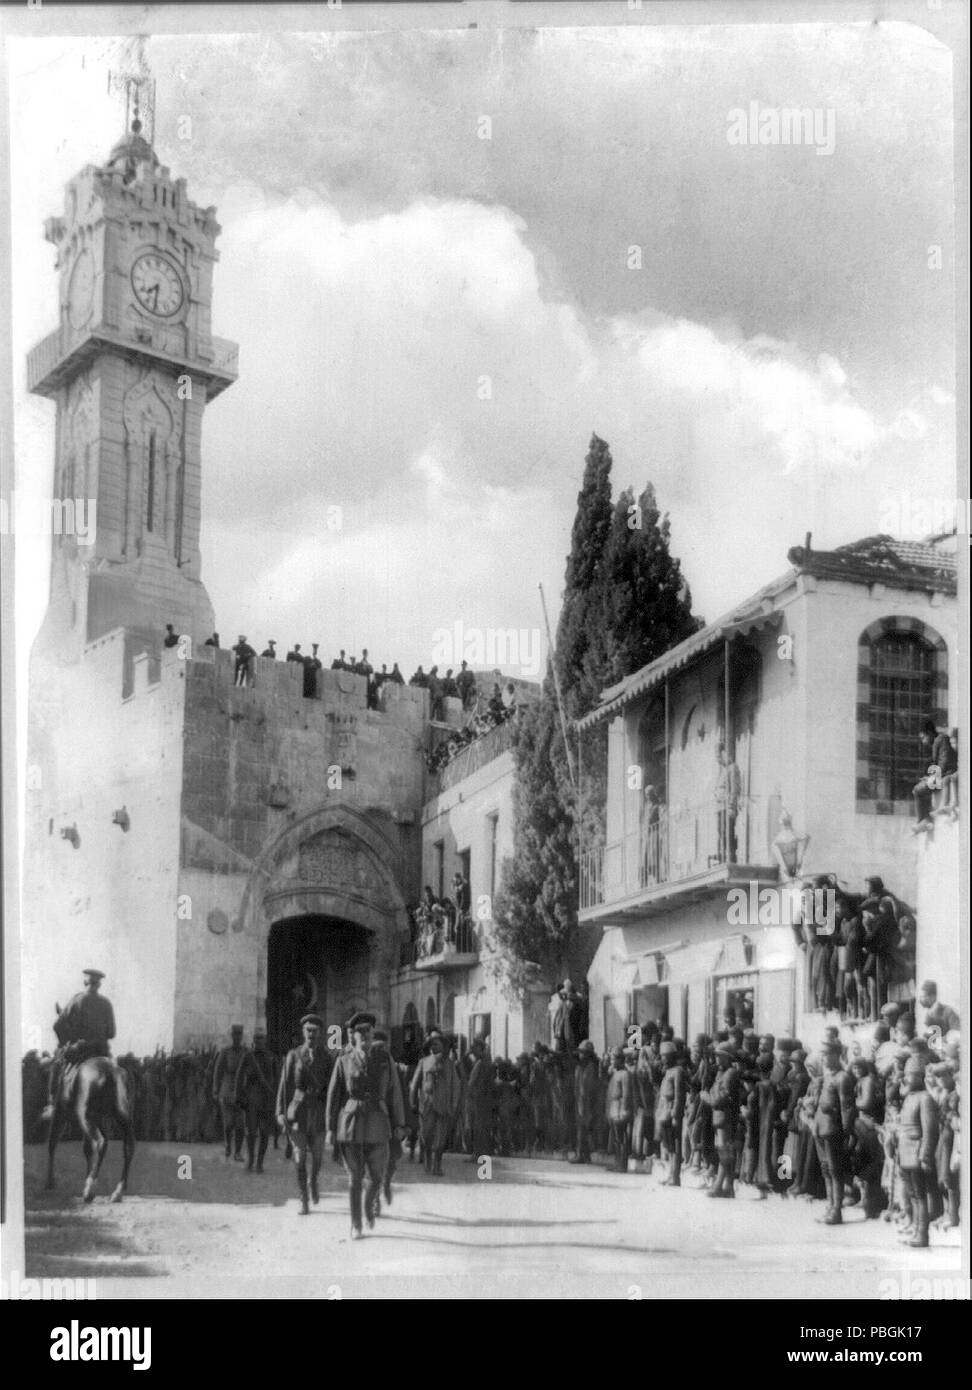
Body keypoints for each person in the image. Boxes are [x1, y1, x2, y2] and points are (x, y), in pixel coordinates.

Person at [326, 1012, 405, 1239]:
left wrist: (399, 1123)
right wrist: (331, 1128)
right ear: (353, 1035)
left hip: (378, 1123)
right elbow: (334, 1096)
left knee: (377, 1177)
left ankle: (370, 1203)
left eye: (367, 1031)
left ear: (372, 1033)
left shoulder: (384, 1059)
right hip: (351, 1123)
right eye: (359, 1031)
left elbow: (395, 1093)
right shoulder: (343, 1060)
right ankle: (356, 1223)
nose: (364, 1035)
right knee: (354, 1178)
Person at [277, 1013, 334, 1215]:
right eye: (308, 1030)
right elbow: (284, 1086)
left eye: (315, 1031)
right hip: (298, 1112)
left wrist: (332, 1117)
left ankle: (313, 1181)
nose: (311, 1034)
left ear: (320, 1034)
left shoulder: (327, 1057)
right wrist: (280, 1113)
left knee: (317, 1158)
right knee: (300, 1159)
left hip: (318, 1112)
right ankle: (304, 1199)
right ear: (303, 1032)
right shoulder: (293, 1055)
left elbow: (331, 1089)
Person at [41, 968, 116, 1121]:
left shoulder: (77, 1000)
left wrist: (66, 1043)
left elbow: (58, 1025)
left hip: (81, 1050)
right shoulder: (106, 1003)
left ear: (85, 982)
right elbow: (112, 1033)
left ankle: (52, 1105)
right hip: (102, 1052)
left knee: (57, 1065)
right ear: (99, 985)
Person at [897, 1055, 939, 1247]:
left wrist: (925, 1155)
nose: (906, 1079)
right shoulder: (909, 1097)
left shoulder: (926, 1099)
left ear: (920, 1076)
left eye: (911, 1075)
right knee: (913, 1194)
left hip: (916, 1153)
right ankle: (915, 1229)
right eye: (906, 1075)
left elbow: (930, 1131)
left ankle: (922, 1234)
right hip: (905, 1153)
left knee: (920, 1196)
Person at [813, 1039, 856, 1225]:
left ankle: (837, 1209)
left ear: (835, 1055)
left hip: (833, 1129)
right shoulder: (829, 1075)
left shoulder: (842, 1077)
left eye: (826, 1054)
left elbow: (846, 1108)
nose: (822, 1058)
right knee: (826, 1169)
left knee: (835, 1170)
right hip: (821, 1127)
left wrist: (847, 1132)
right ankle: (830, 1206)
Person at [409, 1028, 461, 1177]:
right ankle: (427, 1161)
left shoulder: (450, 1065)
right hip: (426, 1105)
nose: (434, 1048)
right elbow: (414, 1084)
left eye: (437, 1045)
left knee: (440, 1138)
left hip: (444, 1106)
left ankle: (437, 1165)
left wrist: (454, 1104)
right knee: (426, 1135)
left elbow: (455, 1086)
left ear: (443, 1047)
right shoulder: (423, 1062)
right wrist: (413, 1102)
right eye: (432, 1045)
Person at [234, 1028, 278, 1174]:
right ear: (253, 1040)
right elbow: (239, 1077)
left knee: (265, 1133)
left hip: (267, 1099)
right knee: (251, 1132)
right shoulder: (248, 1057)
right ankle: (251, 1160)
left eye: (261, 1038)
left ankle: (260, 1162)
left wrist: (276, 1098)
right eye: (257, 1038)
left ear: (265, 1040)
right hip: (251, 1099)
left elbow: (277, 1079)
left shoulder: (271, 1057)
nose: (259, 1041)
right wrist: (238, 1096)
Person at [912, 719, 957, 827]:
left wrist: (932, 777)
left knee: (917, 790)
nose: (923, 741)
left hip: (946, 776)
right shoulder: (937, 742)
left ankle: (923, 820)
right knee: (922, 787)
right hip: (942, 775)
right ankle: (925, 820)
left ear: (930, 733)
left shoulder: (941, 740)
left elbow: (944, 763)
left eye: (923, 737)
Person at [656, 1040, 688, 1186]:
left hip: (671, 1112)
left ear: (671, 1056)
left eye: (665, 1056)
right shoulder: (667, 1072)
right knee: (668, 1145)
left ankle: (675, 1176)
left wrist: (676, 1115)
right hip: (664, 1111)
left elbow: (679, 1096)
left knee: (675, 1145)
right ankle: (670, 1174)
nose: (662, 1059)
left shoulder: (678, 1072)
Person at [213, 1025, 247, 1160]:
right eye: (235, 1034)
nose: (237, 1037)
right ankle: (228, 1144)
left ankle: (237, 1152)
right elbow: (217, 1072)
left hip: (241, 1091)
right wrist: (215, 1090)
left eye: (239, 1034)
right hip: (226, 1090)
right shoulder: (225, 1052)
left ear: (242, 1035)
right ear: (231, 1036)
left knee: (240, 1125)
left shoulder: (246, 1052)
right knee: (228, 1124)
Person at [464, 1036, 494, 1162]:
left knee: (479, 1127)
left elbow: (481, 1084)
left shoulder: (484, 1063)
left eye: (474, 1048)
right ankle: (478, 1153)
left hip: (480, 1099)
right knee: (477, 1127)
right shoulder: (480, 1062)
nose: (472, 1050)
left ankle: (480, 1154)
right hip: (478, 1098)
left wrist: (475, 1095)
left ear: (481, 1048)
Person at [569, 1040, 599, 1163]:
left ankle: (582, 1154)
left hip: (588, 1103)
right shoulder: (579, 1068)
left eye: (583, 1053)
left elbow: (591, 1089)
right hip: (580, 1102)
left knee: (585, 1129)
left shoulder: (592, 1069)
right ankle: (582, 1154)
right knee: (580, 1128)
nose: (580, 1055)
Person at [605, 1046, 633, 1173]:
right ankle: (617, 1162)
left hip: (620, 1109)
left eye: (613, 1059)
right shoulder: (615, 1073)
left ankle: (622, 1164)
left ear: (620, 1060)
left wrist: (624, 1111)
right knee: (616, 1138)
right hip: (614, 1108)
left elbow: (626, 1095)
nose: (611, 1061)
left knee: (621, 1138)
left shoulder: (625, 1074)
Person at [714, 743, 741, 864]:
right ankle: (724, 856)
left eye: (719, 755)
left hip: (727, 807)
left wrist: (731, 806)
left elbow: (734, 788)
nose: (717, 759)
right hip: (720, 807)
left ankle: (730, 857)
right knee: (721, 832)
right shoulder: (722, 771)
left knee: (727, 833)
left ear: (724, 753)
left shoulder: (732, 768)